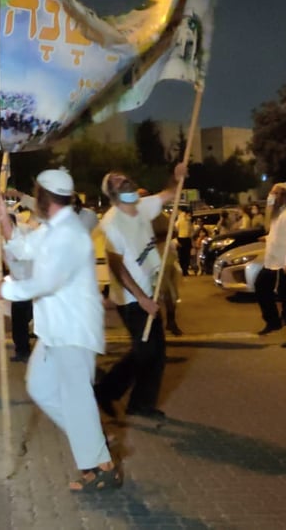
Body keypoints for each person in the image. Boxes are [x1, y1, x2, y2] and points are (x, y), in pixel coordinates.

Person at [0, 169, 123, 493]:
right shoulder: (51, 230)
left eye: (36, 194)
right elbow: (23, 247)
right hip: (54, 332)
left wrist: (5, 290)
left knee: (77, 399)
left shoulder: (70, 235)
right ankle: (94, 441)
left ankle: (101, 466)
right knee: (40, 387)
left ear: (45, 197)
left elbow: (46, 282)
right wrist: (3, 221)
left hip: (73, 331)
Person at [93, 168, 184, 421]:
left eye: (124, 177)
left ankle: (140, 403)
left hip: (150, 291)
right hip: (132, 298)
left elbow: (170, 193)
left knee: (155, 352)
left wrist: (175, 176)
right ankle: (106, 391)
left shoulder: (143, 206)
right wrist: (141, 298)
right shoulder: (111, 222)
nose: (123, 180)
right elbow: (116, 265)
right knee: (145, 351)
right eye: (116, 181)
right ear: (111, 193)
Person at [254, 182, 286, 345]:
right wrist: (268, 238)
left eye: (274, 193)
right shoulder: (279, 214)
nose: (271, 197)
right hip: (274, 261)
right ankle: (273, 321)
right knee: (261, 285)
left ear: (283, 195)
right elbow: (279, 235)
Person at [0, 213, 35, 362]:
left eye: (6, 222)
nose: (3, 226)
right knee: (19, 320)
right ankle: (22, 351)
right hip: (18, 284)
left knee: (29, 316)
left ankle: (30, 348)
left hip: (34, 282)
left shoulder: (26, 232)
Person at [176, 209, 194, 276]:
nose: (190, 216)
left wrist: (191, 239)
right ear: (185, 214)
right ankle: (183, 269)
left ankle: (185, 270)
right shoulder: (180, 221)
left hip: (187, 240)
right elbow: (176, 230)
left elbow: (192, 231)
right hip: (181, 239)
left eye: (191, 215)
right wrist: (177, 241)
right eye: (189, 214)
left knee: (187, 256)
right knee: (181, 256)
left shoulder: (190, 222)